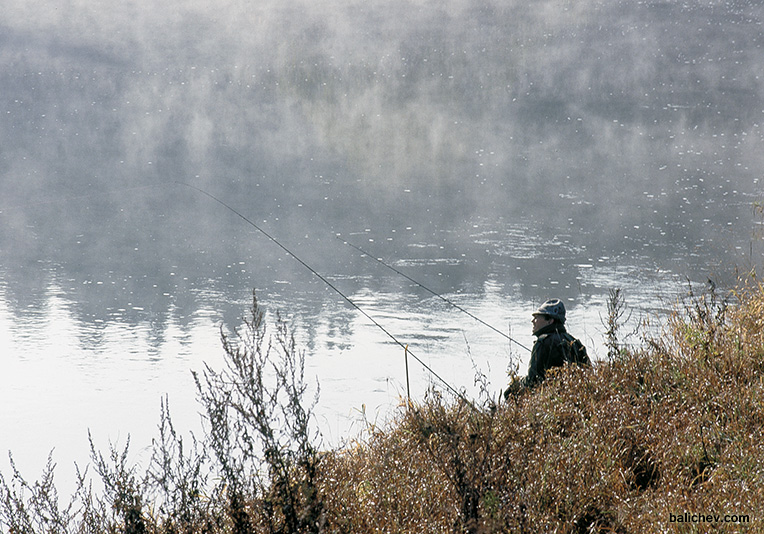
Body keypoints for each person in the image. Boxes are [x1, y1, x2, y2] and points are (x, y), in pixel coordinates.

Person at [504, 298, 590, 398]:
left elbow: (532, 382)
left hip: (552, 399)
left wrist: (517, 382)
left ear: (550, 321)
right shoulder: (575, 342)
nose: (533, 321)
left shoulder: (543, 342)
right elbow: (589, 373)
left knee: (510, 392)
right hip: (577, 397)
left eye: (537, 317)